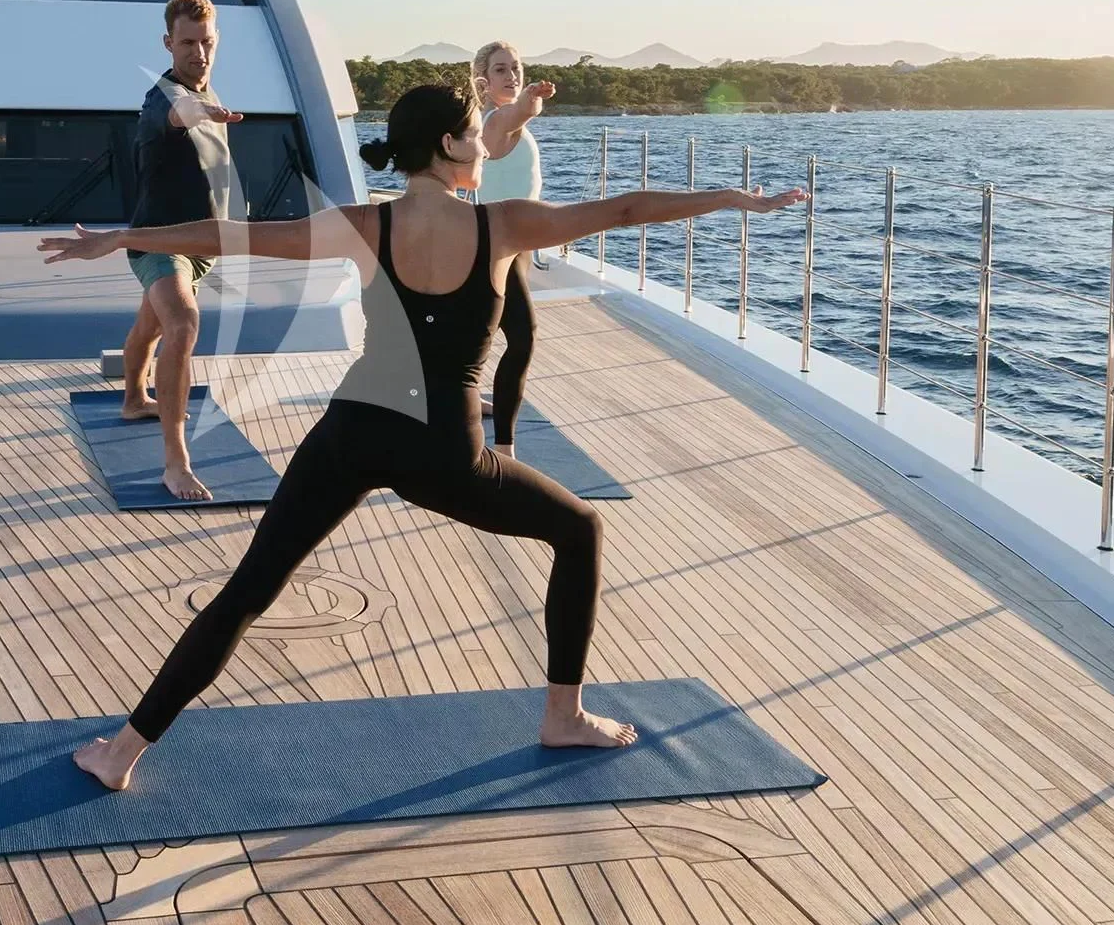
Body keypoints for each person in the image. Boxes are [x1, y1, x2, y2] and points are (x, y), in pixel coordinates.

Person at [42, 80, 805, 791]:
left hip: (354, 432)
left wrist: (122, 238)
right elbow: (627, 210)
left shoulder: (366, 224)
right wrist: (740, 199)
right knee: (579, 528)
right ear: (447, 144)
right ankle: (563, 714)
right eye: (475, 135)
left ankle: (122, 751)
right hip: (446, 453)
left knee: (249, 590)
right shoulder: (503, 225)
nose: (483, 147)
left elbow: (232, 236)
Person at [119, 0, 243, 501]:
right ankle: (176, 463)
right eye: (188, 42)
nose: (199, 52)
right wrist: (193, 110)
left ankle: (133, 398)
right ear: (168, 43)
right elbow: (177, 113)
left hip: (199, 244)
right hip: (159, 242)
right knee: (183, 323)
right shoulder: (162, 100)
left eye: (207, 42)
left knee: (150, 324)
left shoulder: (211, 92)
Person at [470, 41, 556, 458]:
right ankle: (503, 450)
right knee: (522, 337)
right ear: (484, 82)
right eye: (501, 70)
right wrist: (530, 101)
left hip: (515, 244)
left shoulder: (505, 122)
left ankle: (465, 404)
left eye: (516, 68)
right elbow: (517, 112)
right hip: (494, 246)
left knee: (477, 338)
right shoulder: (493, 123)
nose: (512, 75)